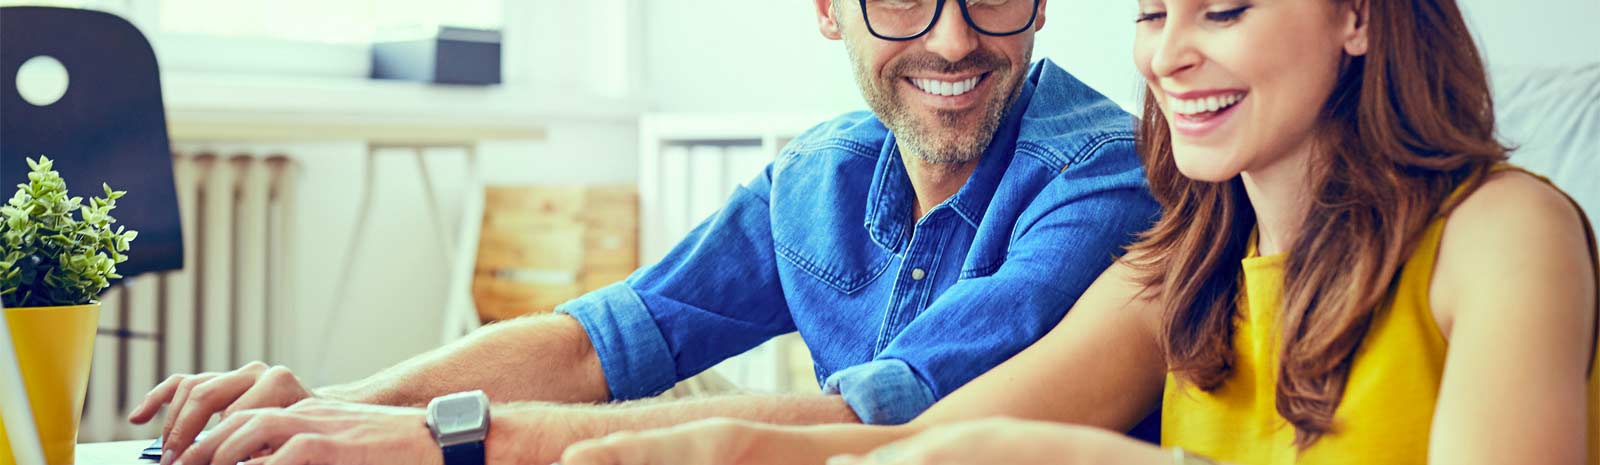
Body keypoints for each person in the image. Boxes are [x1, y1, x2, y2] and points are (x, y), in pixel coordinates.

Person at [556, 0, 1600, 463]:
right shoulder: (1183, 264)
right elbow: (926, 443)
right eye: (1154, 12)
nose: (1169, 56)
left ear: (1358, 16)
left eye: (1223, 10)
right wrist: (720, 449)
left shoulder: (1503, 234)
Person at [131, 1, 1164, 464]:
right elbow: (604, 339)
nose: (951, 37)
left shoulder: (1101, 173)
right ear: (827, 10)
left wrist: (434, 439)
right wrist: (333, 402)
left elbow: (888, 422)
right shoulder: (821, 169)